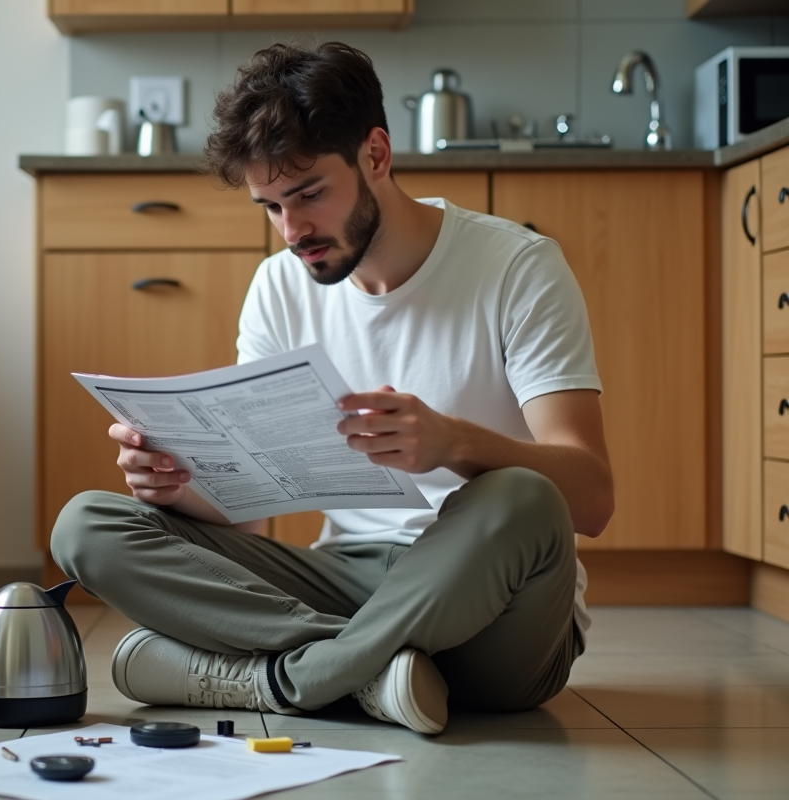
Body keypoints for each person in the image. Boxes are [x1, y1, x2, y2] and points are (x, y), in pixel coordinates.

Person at [49, 41, 613, 735]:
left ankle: (285, 679)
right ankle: (372, 675)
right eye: (270, 207)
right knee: (87, 526)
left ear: (375, 154)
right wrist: (178, 484)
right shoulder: (278, 287)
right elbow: (248, 520)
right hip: (344, 583)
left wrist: (453, 443)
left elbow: (592, 499)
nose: (293, 232)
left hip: (496, 614)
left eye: (310, 194)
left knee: (524, 496)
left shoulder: (517, 267)